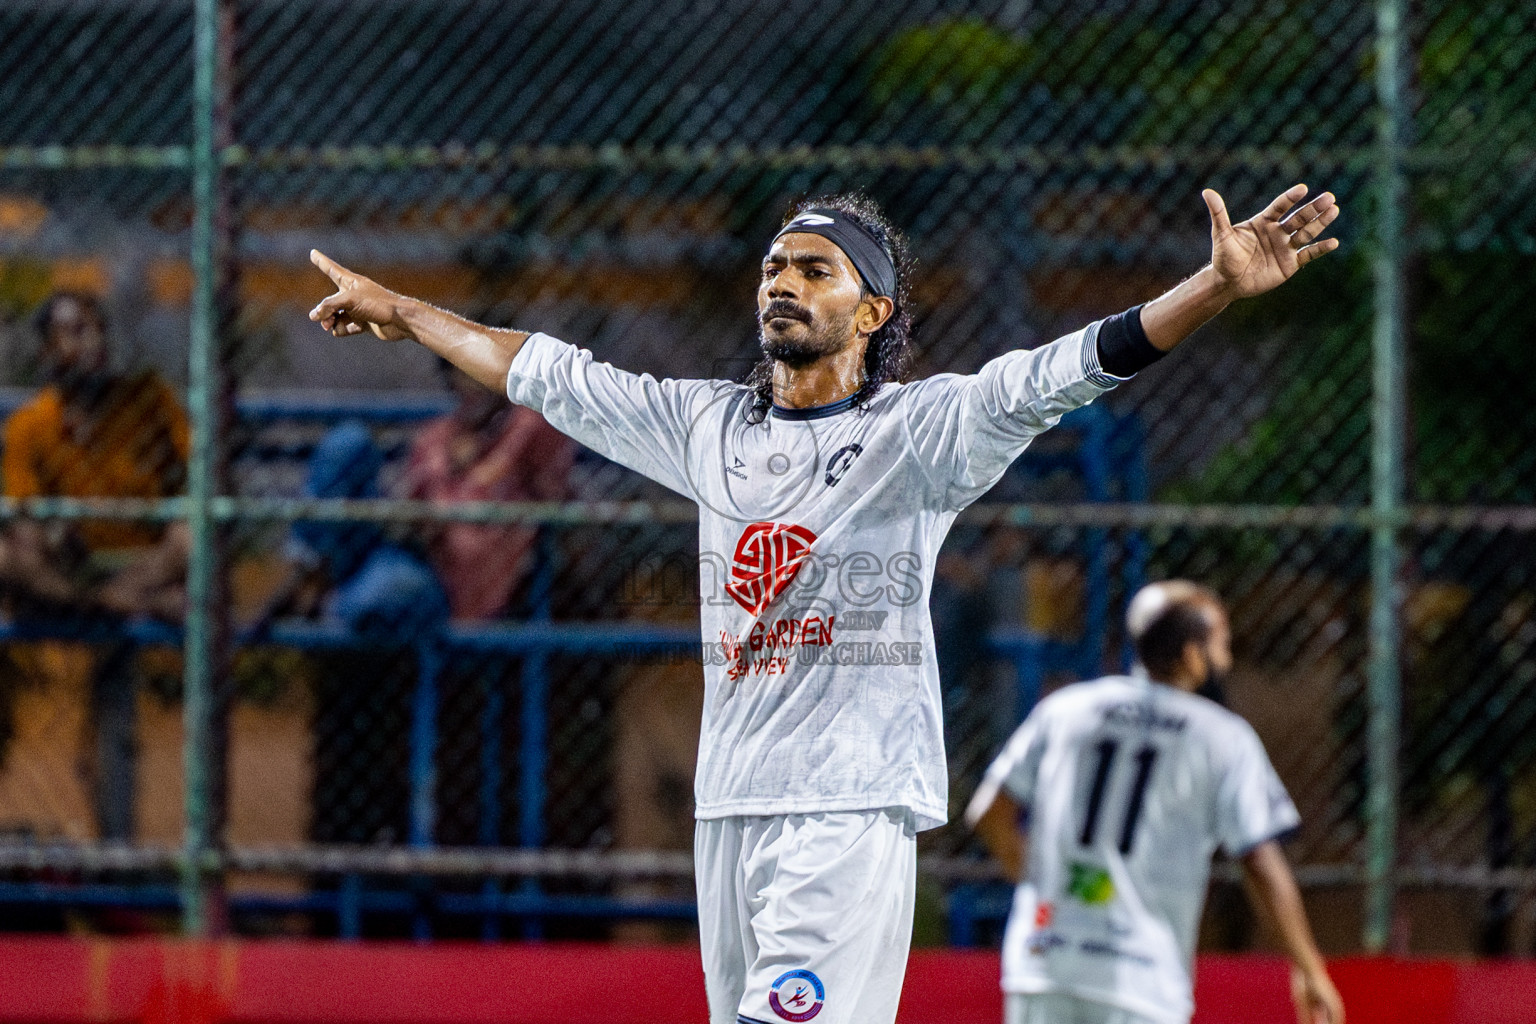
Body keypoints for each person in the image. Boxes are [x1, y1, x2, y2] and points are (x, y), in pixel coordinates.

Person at [307, 182, 1339, 1024]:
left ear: (874, 309)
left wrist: (1211, 286)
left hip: (848, 803)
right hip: (731, 805)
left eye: (814, 269)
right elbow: (542, 370)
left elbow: (1063, 373)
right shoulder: (704, 426)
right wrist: (404, 312)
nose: (782, 283)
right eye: (772, 267)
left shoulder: (920, 433)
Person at [966, 581, 1343, 1024]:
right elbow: (1260, 860)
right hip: (1142, 980)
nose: (1228, 660)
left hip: (1044, 962)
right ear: (1191, 654)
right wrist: (1307, 967)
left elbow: (990, 812)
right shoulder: (1220, 736)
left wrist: (1039, 878)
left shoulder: (1067, 709)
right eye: (1221, 645)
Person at [0, 291, 190, 841]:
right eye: (74, 332)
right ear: (47, 350)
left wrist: (174, 527)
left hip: (144, 567)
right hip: (72, 578)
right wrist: (58, 535)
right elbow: (26, 522)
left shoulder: (146, 400)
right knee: (9, 557)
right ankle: (113, 605)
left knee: (191, 536)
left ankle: (120, 854)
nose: (92, 343)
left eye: (97, 329)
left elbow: (197, 472)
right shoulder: (31, 426)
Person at [402, 358, 572, 621]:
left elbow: (554, 492)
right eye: (461, 374)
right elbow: (413, 504)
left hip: (515, 562)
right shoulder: (436, 439)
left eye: (480, 372)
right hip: (439, 567)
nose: (471, 384)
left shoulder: (527, 427)